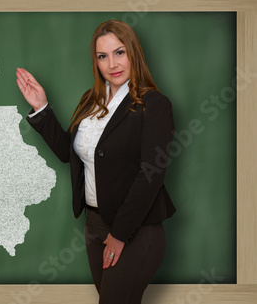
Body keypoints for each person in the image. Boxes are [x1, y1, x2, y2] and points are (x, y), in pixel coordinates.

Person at [16, 19, 176, 304]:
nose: (112, 63)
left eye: (119, 52)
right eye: (102, 56)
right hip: (95, 225)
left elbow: (150, 174)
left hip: (135, 229)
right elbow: (70, 153)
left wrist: (119, 234)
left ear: (133, 54)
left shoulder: (154, 104)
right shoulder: (91, 100)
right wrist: (41, 107)